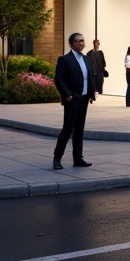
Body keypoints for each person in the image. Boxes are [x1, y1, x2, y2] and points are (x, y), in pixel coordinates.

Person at [53, 33, 96, 169]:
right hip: (72, 99)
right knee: (68, 129)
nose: (81, 43)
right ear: (71, 43)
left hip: (84, 99)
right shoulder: (65, 59)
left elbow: (88, 78)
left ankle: (78, 158)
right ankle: (57, 159)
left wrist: (91, 94)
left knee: (79, 129)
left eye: (82, 41)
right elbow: (58, 79)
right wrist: (67, 95)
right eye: (77, 41)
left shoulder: (86, 59)